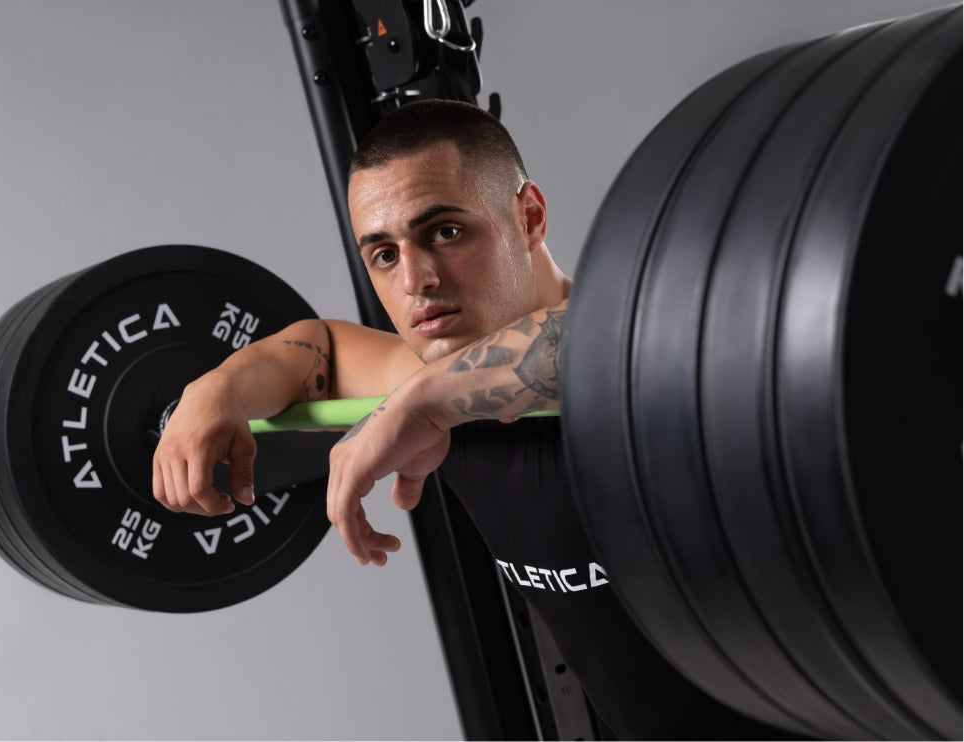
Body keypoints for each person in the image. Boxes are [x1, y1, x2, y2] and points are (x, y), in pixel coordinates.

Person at [152, 100, 789, 740]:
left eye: (446, 232)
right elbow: (321, 345)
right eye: (383, 255)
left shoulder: (658, 346)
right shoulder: (435, 365)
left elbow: (630, 330)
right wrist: (214, 391)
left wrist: (426, 402)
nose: (417, 280)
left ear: (530, 216)